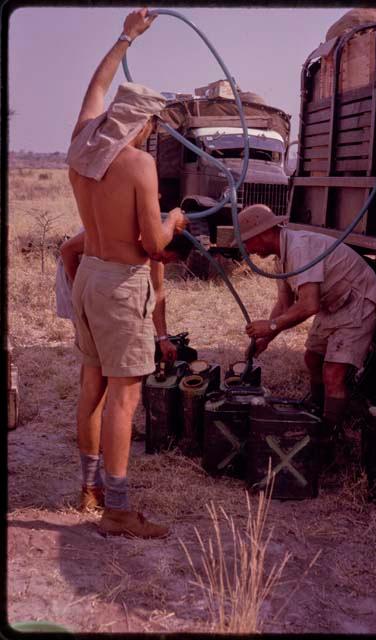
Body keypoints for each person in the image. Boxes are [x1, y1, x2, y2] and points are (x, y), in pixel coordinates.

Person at [66, 8, 188, 539]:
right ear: (143, 124)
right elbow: (154, 244)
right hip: (119, 283)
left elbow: (97, 83)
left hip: (88, 276)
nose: (151, 134)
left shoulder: (82, 141)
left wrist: (126, 37)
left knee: (93, 381)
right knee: (124, 395)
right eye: (152, 127)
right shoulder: (137, 165)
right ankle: (116, 510)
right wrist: (176, 218)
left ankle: (90, 488)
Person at [233, 204, 376, 449]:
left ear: (263, 233)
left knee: (333, 374)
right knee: (312, 360)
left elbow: (308, 305)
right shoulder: (281, 259)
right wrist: (266, 339)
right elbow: (285, 304)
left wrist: (272, 325)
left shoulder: (298, 248)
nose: (248, 250)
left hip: (357, 299)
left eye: (247, 242)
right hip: (334, 303)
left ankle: (329, 436)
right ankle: (318, 411)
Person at [56, 229, 192, 363]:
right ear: (160, 242)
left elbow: (157, 293)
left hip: (104, 279)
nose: (163, 263)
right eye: (164, 257)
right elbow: (67, 250)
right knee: (92, 346)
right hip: (75, 268)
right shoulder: (120, 229)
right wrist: (80, 289)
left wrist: (163, 339)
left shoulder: (155, 254)